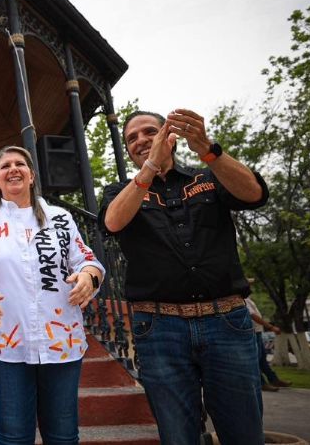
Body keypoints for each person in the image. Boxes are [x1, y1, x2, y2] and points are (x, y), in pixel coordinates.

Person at [99, 110, 269, 444]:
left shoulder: (208, 177)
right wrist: (150, 168)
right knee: (178, 436)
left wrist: (208, 148)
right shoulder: (120, 191)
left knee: (245, 433)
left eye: (150, 131)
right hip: (160, 329)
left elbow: (255, 194)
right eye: (131, 138)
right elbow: (113, 223)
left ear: (170, 135)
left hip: (227, 323)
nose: (141, 141)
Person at [0, 145, 104, 445]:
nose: (13, 169)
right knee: (13, 436)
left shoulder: (60, 218)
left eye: (20, 164)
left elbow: (89, 261)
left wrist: (89, 276)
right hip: (6, 343)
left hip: (62, 342)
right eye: (5, 166)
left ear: (32, 175)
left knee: (63, 436)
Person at [244, 289, 291, 392]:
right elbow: (252, 316)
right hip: (253, 333)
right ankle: (261, 383)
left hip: (257, 332)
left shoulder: (248, 299)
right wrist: (271, 327)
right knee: (256, 360)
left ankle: (273, 380)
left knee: (262, 360)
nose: (250, 288)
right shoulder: (243, 300)